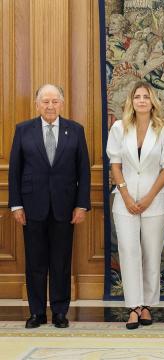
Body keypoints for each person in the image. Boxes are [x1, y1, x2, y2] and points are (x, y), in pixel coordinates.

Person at [8, 84, 90, 329]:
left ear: (62, 104)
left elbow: (84, 171)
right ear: (37, 104)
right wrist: (16, 205)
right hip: (32, 207)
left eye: (55, 101)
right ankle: (36, 313)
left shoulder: (75, 131)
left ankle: (60, 312)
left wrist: (82, 205)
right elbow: (15, 171)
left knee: (61, 262)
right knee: (35, 262)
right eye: (45, 101)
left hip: (65, 208)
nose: (50, 106)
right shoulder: (23, 130)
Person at [106, 81, 164, 329]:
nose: (142, 100)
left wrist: (147, 198)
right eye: (137, 96)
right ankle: (134, 307)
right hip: (124, 200)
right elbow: (115, 163)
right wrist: (125, 196)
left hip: (155, 201)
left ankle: (147, 304)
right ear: (131, 101)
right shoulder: (118, 127)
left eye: (146, 96)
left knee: (151, 253)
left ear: (152, 101)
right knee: (128, 251)